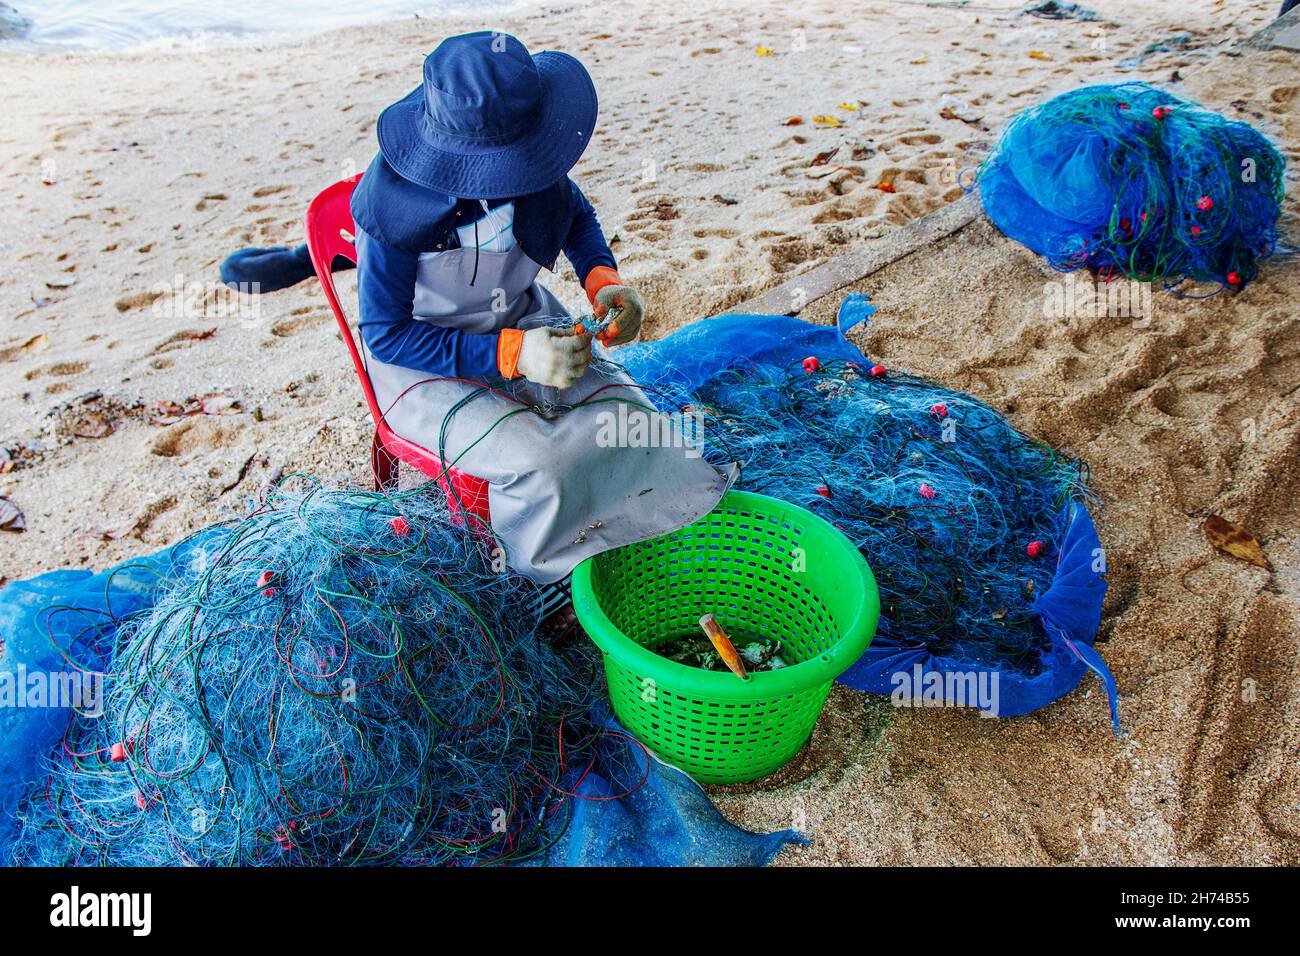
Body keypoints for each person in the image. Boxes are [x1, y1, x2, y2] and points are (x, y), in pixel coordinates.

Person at [349, 31, 730, 584]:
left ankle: (647, 541)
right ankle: (539, 581)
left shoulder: (533, 161)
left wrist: (603, 280)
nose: (518, 175)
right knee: (543, 460)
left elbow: (575, 216)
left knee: (634, 421)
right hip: (425, 358)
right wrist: (512, 354)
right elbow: (386, 336)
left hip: (524, 318)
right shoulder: (392, 207)